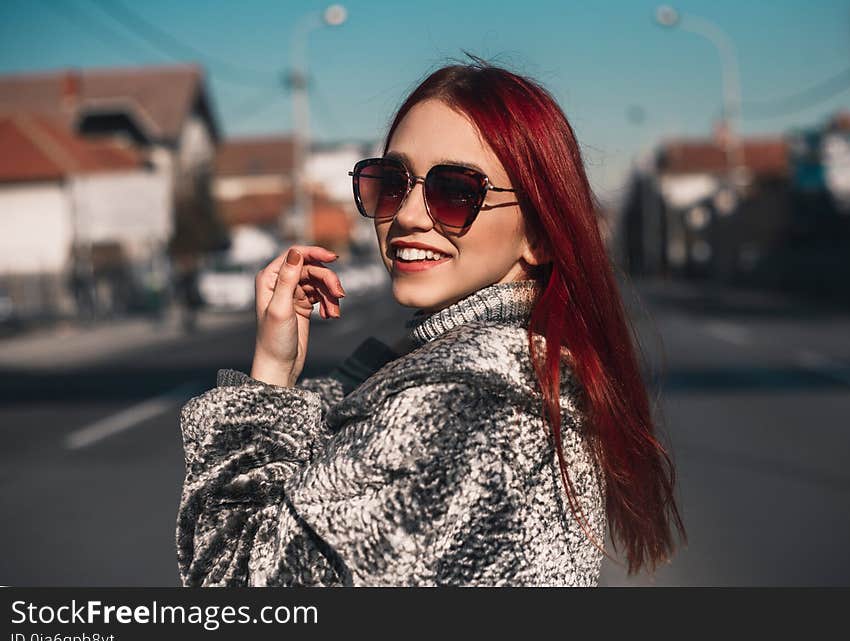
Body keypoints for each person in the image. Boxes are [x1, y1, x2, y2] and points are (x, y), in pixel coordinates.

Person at [175, 56, 686, 587]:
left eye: (457, 191)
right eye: (392, 183)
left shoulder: (464, 408)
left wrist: (268, 387)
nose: (409, 215)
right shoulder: (533, 375)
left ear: (539, 234)